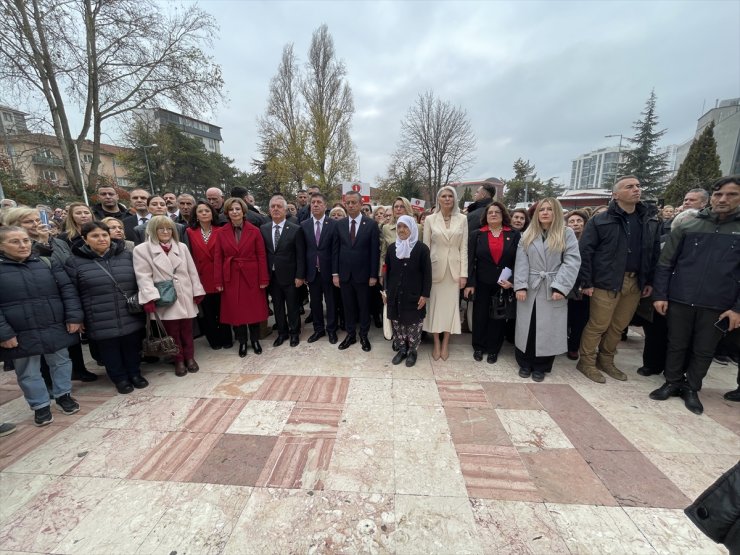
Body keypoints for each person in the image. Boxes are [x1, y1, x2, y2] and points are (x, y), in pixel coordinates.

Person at [649, 176, 740, 415]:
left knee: (704, 349)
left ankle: (692, 387)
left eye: (731, 194)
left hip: (718, 304)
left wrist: (738, 308)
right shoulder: (689, 225)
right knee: (676, 344)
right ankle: (672, 382)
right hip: (681, 297)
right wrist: (661, 295)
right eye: (718, 194)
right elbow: (665, 262)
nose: (723, 199)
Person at [576, 176, 660, 383]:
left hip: (635, 282)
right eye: (629, 186)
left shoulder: (649, 220)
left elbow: (653, 253)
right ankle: (586, 361)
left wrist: (649, 281)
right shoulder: (601, 220)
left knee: (619, 326)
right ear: (616, 194)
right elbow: (585, 251)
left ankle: (606, 360)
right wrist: (586, 282)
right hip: (606, 281)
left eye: (638, 186)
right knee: (598, 324)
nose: (636, 189)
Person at [0, 226, 83, 426]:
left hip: (53, 323)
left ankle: (63, 395)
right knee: (28, 370)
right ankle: (40, 406)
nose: (23, 245)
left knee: (61, 361)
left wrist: (74, 317)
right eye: (15, 241)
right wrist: (3, 333)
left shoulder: (45, 261)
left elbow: (67, 289)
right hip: (19, 330)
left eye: (26, 240)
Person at [65, 222, 147, 394]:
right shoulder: (74, 262)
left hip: (128, 312)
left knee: (132, 345)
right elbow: (70, 292)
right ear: (85, 239)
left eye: (104, 235)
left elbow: (140, 281)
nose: (101, 239)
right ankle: (120, 378)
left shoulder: (126, 256)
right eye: (95, 236)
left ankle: (135, 373)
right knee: (110, 350)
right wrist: (76, 317)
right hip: (98, 315)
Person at [514, 198, 581, 381]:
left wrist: (560, 286)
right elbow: (521, 261)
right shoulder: (528, 234)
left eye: (549, 209)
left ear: (556, 212)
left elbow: (572, 262)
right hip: (531, 285)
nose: (544, 212)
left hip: (552, 285)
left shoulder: (566, 233)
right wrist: (520, 285)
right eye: (541, 209)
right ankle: (525, 362)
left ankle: (541, 365)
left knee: (547, 327)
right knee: (528, 326)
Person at [133, 216, 205, 376]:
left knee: (187, 329)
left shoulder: (181, 247)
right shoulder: (142, 250)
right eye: (161, 228)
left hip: (184, 293)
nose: (165, 232)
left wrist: (197, 290)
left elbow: (192, 271)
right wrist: (149, 297)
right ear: (153, 230)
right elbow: (143, 276)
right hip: (165, 295)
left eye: (169, 228)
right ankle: (178, 360)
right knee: (172, 331)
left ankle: (190, 358)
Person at [465, 202, 520, 363]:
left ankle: (493, 349)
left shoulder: (514, 235)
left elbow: (519, 261)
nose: (494, 215)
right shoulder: (477, 234)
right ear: (486, 216)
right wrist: (470, 283)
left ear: (503, 215)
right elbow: (470, 260)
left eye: (497, 212)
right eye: (490, 213)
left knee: (498, 317)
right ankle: (479, 347)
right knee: (480, 315)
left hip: (503, 283)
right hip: (482, 282)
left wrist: (512, 280)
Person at [215, 198, 269, 357]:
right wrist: (218, 280)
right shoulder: (221, 232)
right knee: (236, 312)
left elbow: (261, 256)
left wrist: (263, 279)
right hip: (230, 276)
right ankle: (242, 342)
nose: (235, 212)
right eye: (231, 210)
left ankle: (255, 340)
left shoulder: (254, 230)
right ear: (227, 213)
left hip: (251, 276)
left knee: (253, 310)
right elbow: (218, 257)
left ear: (243, 211)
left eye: (237, 209)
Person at [422, 185, 468, 360]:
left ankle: (446, 342)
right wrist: (424, 274)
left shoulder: (462, 219)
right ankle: (436, 342)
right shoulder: (430, 220)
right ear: (438, 200)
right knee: (434, 307)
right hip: (435, 269)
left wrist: (464, 274)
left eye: (450, 196)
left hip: (454, 272)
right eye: (444, 196)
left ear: (455, 199)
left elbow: (463, 248)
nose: (447, 199)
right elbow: (426, 248)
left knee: (450, 308)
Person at [333, 190, 380, 352]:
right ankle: (351, 335)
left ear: (361, 204)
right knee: (348, 307)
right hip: (345, 275)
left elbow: (375, 252)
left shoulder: (371, 224)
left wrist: (374, 274)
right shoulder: (339, 225)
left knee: (364, 306)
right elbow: (335, 251)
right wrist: (335, 274)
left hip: (364, 275)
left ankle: (364, 336)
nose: (351, 205)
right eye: (348, 202)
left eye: (354, 202)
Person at [384, 215, 431, 367]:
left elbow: (427, 274)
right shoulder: (392, 248)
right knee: (398, 324)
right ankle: (402, 349)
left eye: (405, 227)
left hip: (413, 295)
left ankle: (412, 352)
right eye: (399, 227)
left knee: (413, 325)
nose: (402, 230)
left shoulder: (422, 249)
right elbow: (387, 272)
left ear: (412, 229)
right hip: (395, 295)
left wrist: (424, 294)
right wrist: (386, 291)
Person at [261, 195, 306, 348]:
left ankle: (294, 333)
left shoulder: (295, 229)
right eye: (273, 206)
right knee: (278, 307)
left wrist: (300, 275)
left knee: (292, 307)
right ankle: (282, 333)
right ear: (269, 210)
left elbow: (300, 255)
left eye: (279, 206)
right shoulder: (264, 229)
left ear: (286, 210)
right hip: (272, 277)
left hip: (291, 276)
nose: (275, 209)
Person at [186, 201, 232, 350]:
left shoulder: (222, 230)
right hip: (201, 277)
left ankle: (226, 338)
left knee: (223, 310)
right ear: (196, 215)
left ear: (213, 214)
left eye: (207, 211)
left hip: (219, 275)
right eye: (201, 211)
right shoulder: (189, 232)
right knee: (208, 313)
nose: (204, 213)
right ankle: (214, 340)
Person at [301, 192, 339, 344]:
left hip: (329, 271)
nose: (315, 205)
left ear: (325, 206)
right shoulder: (304, 225)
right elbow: (302, 251)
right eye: (313, 202)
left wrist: (336, 273)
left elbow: (336, 251)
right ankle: (318, 330)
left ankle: (331, 330)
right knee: (315, 303)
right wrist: (302, 273)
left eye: (318, 202)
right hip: (312, 272)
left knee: (331, 302)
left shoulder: (334, 224)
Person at [565, 210, 590, 360]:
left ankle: (573, 346)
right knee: (564, 316)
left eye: (579, 221)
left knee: (579, 318)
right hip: (566, 283)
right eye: (572, 221)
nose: (575, 224)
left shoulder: (589, 241)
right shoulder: (563, 240)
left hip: (583, 284)